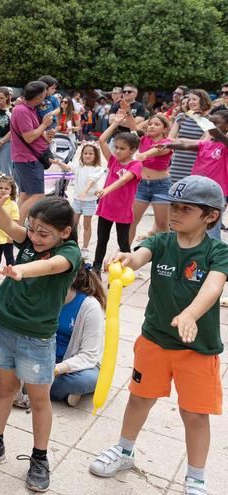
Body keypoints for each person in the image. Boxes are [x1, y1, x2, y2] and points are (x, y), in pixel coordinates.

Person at [88, 176, 228, 495]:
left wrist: (191, 313)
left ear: (210, 216)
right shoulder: (162, 241)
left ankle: (195, 477)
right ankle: (124, 451)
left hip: (198, 350)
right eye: (173, 206)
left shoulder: (217, 252)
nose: (174, 213)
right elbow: (138, 257)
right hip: (153, 341)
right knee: (139, 399)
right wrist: (126, 258)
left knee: (194, 414)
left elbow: (213, 285)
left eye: (185, 209)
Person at [0, 187, 82, 492]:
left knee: (39, 398)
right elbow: (10, 227)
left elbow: (49, 266)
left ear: (65, 232)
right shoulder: (30, 240)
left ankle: (40, 457)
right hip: (5, 328)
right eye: (32, 229)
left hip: (36, 339)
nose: (33, 237)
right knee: (4, 389)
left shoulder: (68, 253)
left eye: (43, 233)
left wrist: (20, 269)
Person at [161, 110, 228, 241]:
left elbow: (216, 133)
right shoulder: (206, 144)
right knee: (192, 225)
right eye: (211, 122)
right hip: (195, 191)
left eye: (217, 122)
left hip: (214, 193)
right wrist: (167, 145)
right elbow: (185, 145)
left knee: (211, 230)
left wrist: (202, 120)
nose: (212, 125)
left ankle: (213, 259)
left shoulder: (225, 145)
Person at [91, 112, 143, 276]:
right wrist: (115, 124)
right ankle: (96, 269)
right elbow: (101, 140)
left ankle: (125, 269)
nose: (118, 151)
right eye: (116, 147)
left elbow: (124, 179)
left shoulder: (136, 165)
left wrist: (106, 189)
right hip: (106, 208)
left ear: (133, 149)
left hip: (123, 210)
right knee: (102, 241)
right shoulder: (113, 160)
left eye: (122, 148)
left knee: (123, 242)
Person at [50, 265, 105, 406]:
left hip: (75, 364)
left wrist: (57, 369)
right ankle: (56, 392)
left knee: (85, 380)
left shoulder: (90, 306)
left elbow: (89, 355)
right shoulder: (43, 297)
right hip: (43, 356)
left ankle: (31, 386)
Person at [11, 80, 55, 223]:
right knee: (38, 195)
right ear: (38, 98)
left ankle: (16, 225)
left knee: (24, 194)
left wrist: (45, 133)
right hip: (28, 158)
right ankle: (18, 226)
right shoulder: (22, 110)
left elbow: (33, 133)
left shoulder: (27, 108)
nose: (45, 97)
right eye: (44, 95)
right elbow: (29, 137)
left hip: (25, 158)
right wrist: (44, 124)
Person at [128, 114, 173, 242]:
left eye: (157, 124)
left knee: (162, 225)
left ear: (165, 129)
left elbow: (158, 150)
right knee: (131, 221)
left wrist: (144, 154)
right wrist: (128, 112)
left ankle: (165, 255)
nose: (152, 126)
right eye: (150, 124)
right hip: (141, 185)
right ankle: (124, 252)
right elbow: (134, 127)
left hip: (161, 186)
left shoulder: (167, 143)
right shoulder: (143, 139)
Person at [68, 142, 106, 258]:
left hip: (89, 201)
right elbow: (68, 167)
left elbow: (91, 180)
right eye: (85, 153)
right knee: (73, 224)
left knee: (87, 224)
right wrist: (58, 162)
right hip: (77, 200)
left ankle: (85, 248)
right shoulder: (79, 166)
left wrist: (85, 191)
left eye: (90, 154)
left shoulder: (98, 169)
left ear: (95, 156)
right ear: (82, 154)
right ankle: (72, 244)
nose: (88, 156)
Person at [169, 89, 212, 184]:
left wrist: (180, 140)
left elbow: (204, 143)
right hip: (178, 163)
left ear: (203, 101)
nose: (191, 102)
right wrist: (194, 141)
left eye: (194, 99)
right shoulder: (181, 117)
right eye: (189, 99)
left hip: (196, 164)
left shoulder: (209, 120)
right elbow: (170, 139)